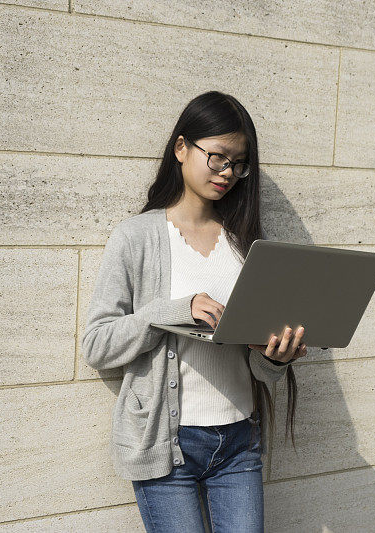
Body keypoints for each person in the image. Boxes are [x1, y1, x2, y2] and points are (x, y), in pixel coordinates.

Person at [81, 91, 305, 532]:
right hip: (167, 445)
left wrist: (275, 357)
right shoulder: (135, 237)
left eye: (239, 165)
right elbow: (97, 344)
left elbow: (260, 365)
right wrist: (176, 311)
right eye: (218, 157)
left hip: (240, 440)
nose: (228, 173)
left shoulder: (246, 243)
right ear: (182, 148)